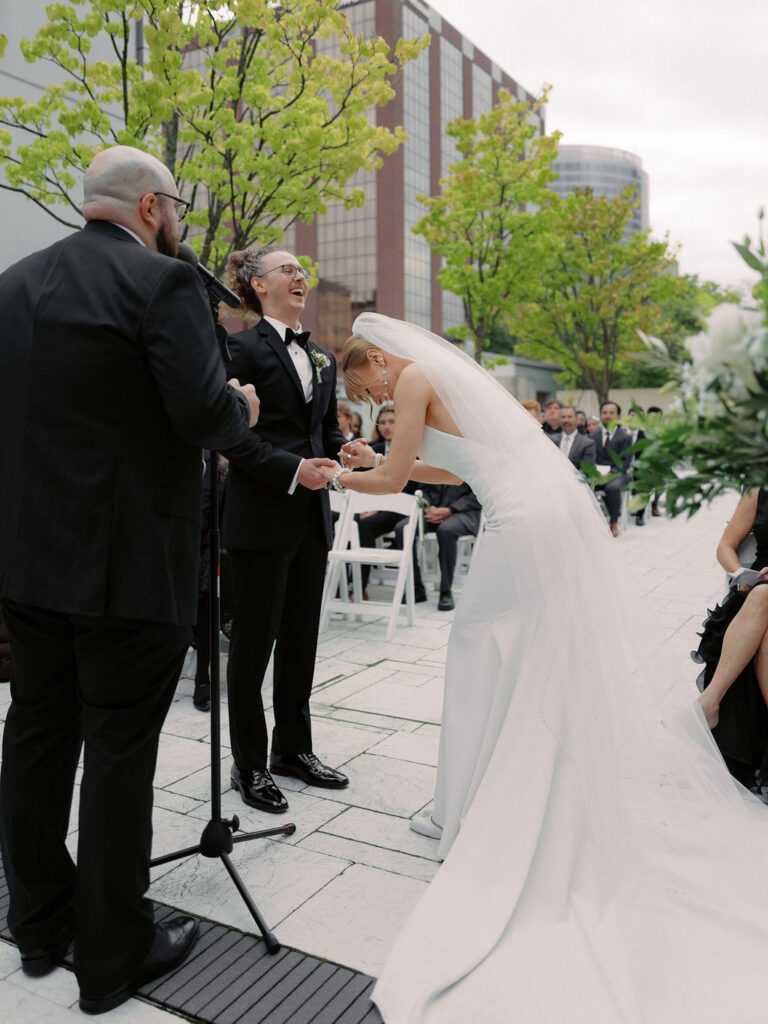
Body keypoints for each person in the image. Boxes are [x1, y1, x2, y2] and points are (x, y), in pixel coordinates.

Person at [331, 313, 768, 1024]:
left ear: (378, 360)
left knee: (477, 643)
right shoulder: (434, 383)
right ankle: (476, 793)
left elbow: (391, 476)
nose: (371, 394)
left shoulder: (410, 376)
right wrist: (375, 463)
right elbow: (452, 466)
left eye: (362, 380)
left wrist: (338, 475)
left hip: (521, 518)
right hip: (534, 508)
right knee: (515, 650)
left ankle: (471, 806)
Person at [0, 145, 260, 1014]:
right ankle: (113, 955)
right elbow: (202, 415)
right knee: (118, 753)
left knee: (36, 734)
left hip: (28, 562)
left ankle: (39, 922)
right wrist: (242, 406)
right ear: (152, 207)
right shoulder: (163, 285)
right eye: (177, 207)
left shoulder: (14, 283)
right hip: (126, 568)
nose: (179, 221)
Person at [221, 244, 350, 816]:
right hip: (260, 515)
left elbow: (325, 434)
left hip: (312, 523)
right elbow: (232, 437)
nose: (301, 276)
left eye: (303, 270)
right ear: (257, 286)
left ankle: (294, 751)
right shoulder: (237, 348)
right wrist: (292, 470)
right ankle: (248, 762)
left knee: (302, 640)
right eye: (287, 270)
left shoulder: (322, 356)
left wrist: (352, 453)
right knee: (252, 646)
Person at [693, 489, 768, 787]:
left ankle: (708, 704)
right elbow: (725, 546)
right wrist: (740, 573)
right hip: (756, 590)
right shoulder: (758, 488)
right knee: (762, 607)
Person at [591, 399, 633, 537]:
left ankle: (613, 523)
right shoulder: (593, 436)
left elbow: (625, 461)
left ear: (618, 416)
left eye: (611, 413)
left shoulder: (626, 437)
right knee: (584, 485)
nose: (607, 415)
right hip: (597, 474)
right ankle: (590, 522)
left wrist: (611, 473)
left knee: (612, 488)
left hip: (618, 474)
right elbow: (590, 458)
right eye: (604, 413)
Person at [557, 405, 596, 475]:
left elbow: (587, 468)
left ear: (576, 420)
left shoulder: (588, 443)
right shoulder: (551, 440)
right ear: (559, 420)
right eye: (563, 417)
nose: (566, 420)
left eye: (569, 417)